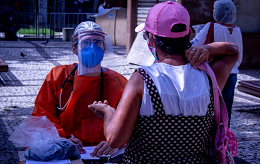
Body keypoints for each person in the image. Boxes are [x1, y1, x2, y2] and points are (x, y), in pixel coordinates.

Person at [88, 1, 239, 163]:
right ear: (189, 35)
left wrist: (108, 111)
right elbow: (233, 52)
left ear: (151, 40)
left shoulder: (142, 79)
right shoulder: (209, 77)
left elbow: (114, 139)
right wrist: (208, 49)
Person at [32, 21, 127, 156]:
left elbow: (131, 121)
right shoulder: (57, 76)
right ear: (74, 49)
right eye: (86, 42)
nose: (92, 47)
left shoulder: (118, 82)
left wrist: (116, 142)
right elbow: (42, 115)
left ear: (104, 48)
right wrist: (61, 140)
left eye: (97, 42)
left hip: (104, 151)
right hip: (65, 148)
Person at [191, 0, 243, 127]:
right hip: (232, 74)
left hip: (214, 73)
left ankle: (209, 137)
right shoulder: (237, 30)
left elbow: (195, 45)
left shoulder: (211, 26)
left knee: (211, 107)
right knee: (226, 109)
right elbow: (239, 57)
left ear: (217, 13)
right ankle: (223, 136)